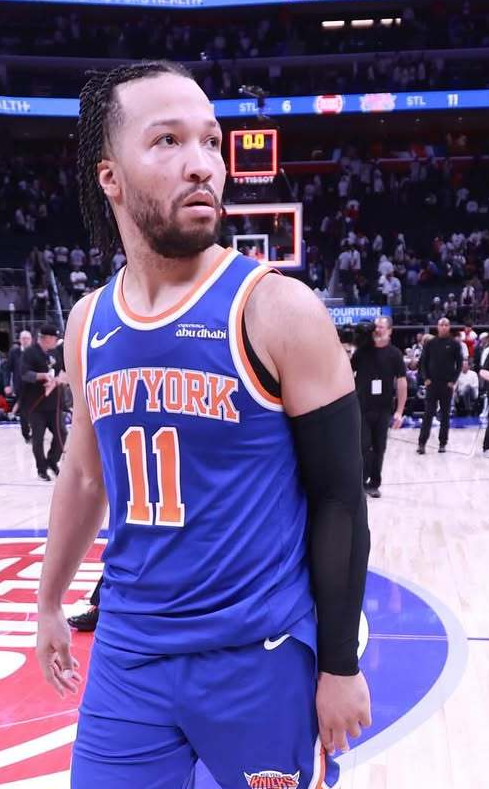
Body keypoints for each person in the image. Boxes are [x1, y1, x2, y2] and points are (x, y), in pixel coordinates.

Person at [35, 61, 370, 789]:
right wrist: (50, 600)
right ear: (109, 177)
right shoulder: (89, 321)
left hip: (258, 654)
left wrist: (340, 665)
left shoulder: (277, 309)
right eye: (168, 141)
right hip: (130, 652)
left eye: (211, 141)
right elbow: (85, 475)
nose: (203, 165)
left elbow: (341, 498)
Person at [351, 316, 406, 498]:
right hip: (362, 407)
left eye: (382, 327)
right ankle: (361, 482)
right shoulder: (362, 352)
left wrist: (399, 411)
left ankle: (374, 483)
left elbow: (401, 382)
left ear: (390, 331)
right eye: (376, 327)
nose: (377, 330)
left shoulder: (395, 354)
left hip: (383, 409)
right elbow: (348, 373)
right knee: (363, 446)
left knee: (379, 447)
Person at [20, 324, 67, 481]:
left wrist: (59, 380)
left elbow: (63, 371)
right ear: (46, 338)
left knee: (62, 433)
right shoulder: (29, 353)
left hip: (54, 404)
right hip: (36, 406)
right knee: (38, 439)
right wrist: (43, 376)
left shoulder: (56, 353)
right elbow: (25, 374)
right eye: (54, 338)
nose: (56, 341)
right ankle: (41, 469)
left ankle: (52, 461)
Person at [417, 317, 463, 454]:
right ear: (437, 327)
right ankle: (422, 444)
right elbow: (423, 363)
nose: (443, 327)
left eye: (446, 325)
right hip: (432, 384)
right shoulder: (430, 343)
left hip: (446, 385)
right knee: (428, 414)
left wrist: (453, 381)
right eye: (441, 325)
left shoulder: (454, 344)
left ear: (449, 327)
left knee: (445, 415)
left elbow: (459, 364)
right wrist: (426, 378)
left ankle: (443, 443)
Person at [6, 330, 33, 441]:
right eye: (23, 338)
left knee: (35, 409)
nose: (25, 341)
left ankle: (36, 432)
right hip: (20, 386)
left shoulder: (35, 351)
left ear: (31, 340)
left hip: (34, 385)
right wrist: (7, 384)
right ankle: (26, 433)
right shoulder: (14, 352)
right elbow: (7, 369)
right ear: (20, 340)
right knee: (23, 410)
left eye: (27, 338)